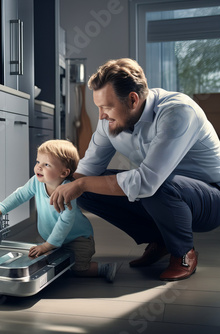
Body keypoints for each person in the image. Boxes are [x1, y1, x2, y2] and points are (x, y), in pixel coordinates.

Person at [50, 58, 220, 281]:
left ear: (132, 99)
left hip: (210, 198)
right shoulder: (108, 121)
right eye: (98, 107)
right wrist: (60, 189)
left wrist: (80, 184)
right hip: (162, 190)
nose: (101, 115)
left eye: (107, 107)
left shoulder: (178, 112)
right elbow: (88, 170)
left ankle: (183, 253)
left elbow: (148, 181)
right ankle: (161, 241)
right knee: (85, 190)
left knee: (155, 186)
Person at [0, 139, 117, 282]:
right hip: (53, 237)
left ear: (64, 172)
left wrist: (48, 245)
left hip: (78, 238)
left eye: (46, 164)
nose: (38, 167)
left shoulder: (68, 191)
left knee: (79, 269)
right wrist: (2, 208)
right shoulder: (36, 182)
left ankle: (105, 268)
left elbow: (66, 221)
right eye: (38, 162)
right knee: (54, 261)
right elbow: (20, 194)